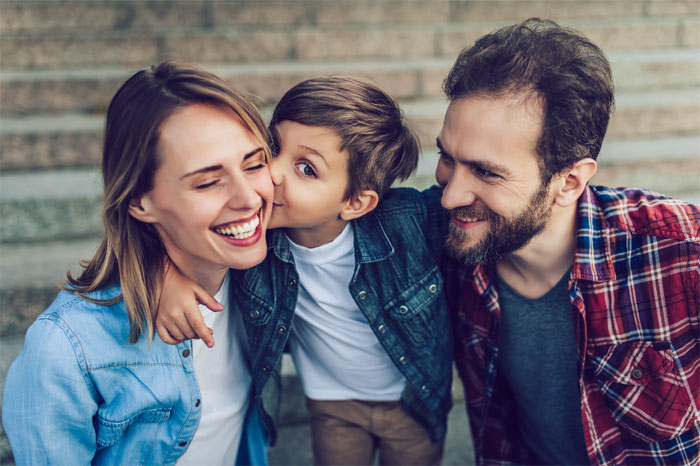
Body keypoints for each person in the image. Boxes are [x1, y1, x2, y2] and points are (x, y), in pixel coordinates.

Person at [437, 18, 700, 465]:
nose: (449, 195)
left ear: (570, 180)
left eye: (485, 171)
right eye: (446, 156)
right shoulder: (448, 243)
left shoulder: (680, 250)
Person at [158, 76, 453, 465]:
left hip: (413, 401)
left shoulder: (406, 223)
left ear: (356, 202)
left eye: (306, 169)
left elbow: (472, 208)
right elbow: (178, 226)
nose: (273, 173)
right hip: (332, 406)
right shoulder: (253, 241)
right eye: (274, 147)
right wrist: (164, 274)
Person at [2, 60, 277, 465]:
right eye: (208, 181)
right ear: (139, 201)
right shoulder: (65, 349)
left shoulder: (274, 272)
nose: (249, 198)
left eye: (254, 164)